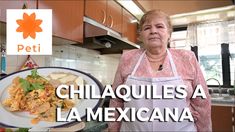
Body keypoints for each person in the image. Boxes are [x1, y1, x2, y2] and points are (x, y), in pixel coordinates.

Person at [108, 9, 212, 131]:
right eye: (147, 28)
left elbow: (202, 103)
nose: (153, 31)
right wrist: (113, 129)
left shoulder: (187, 58)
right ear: (140, 35)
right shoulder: (127, 58)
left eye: (159, 26)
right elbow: (116, 101)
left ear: (169, 33)